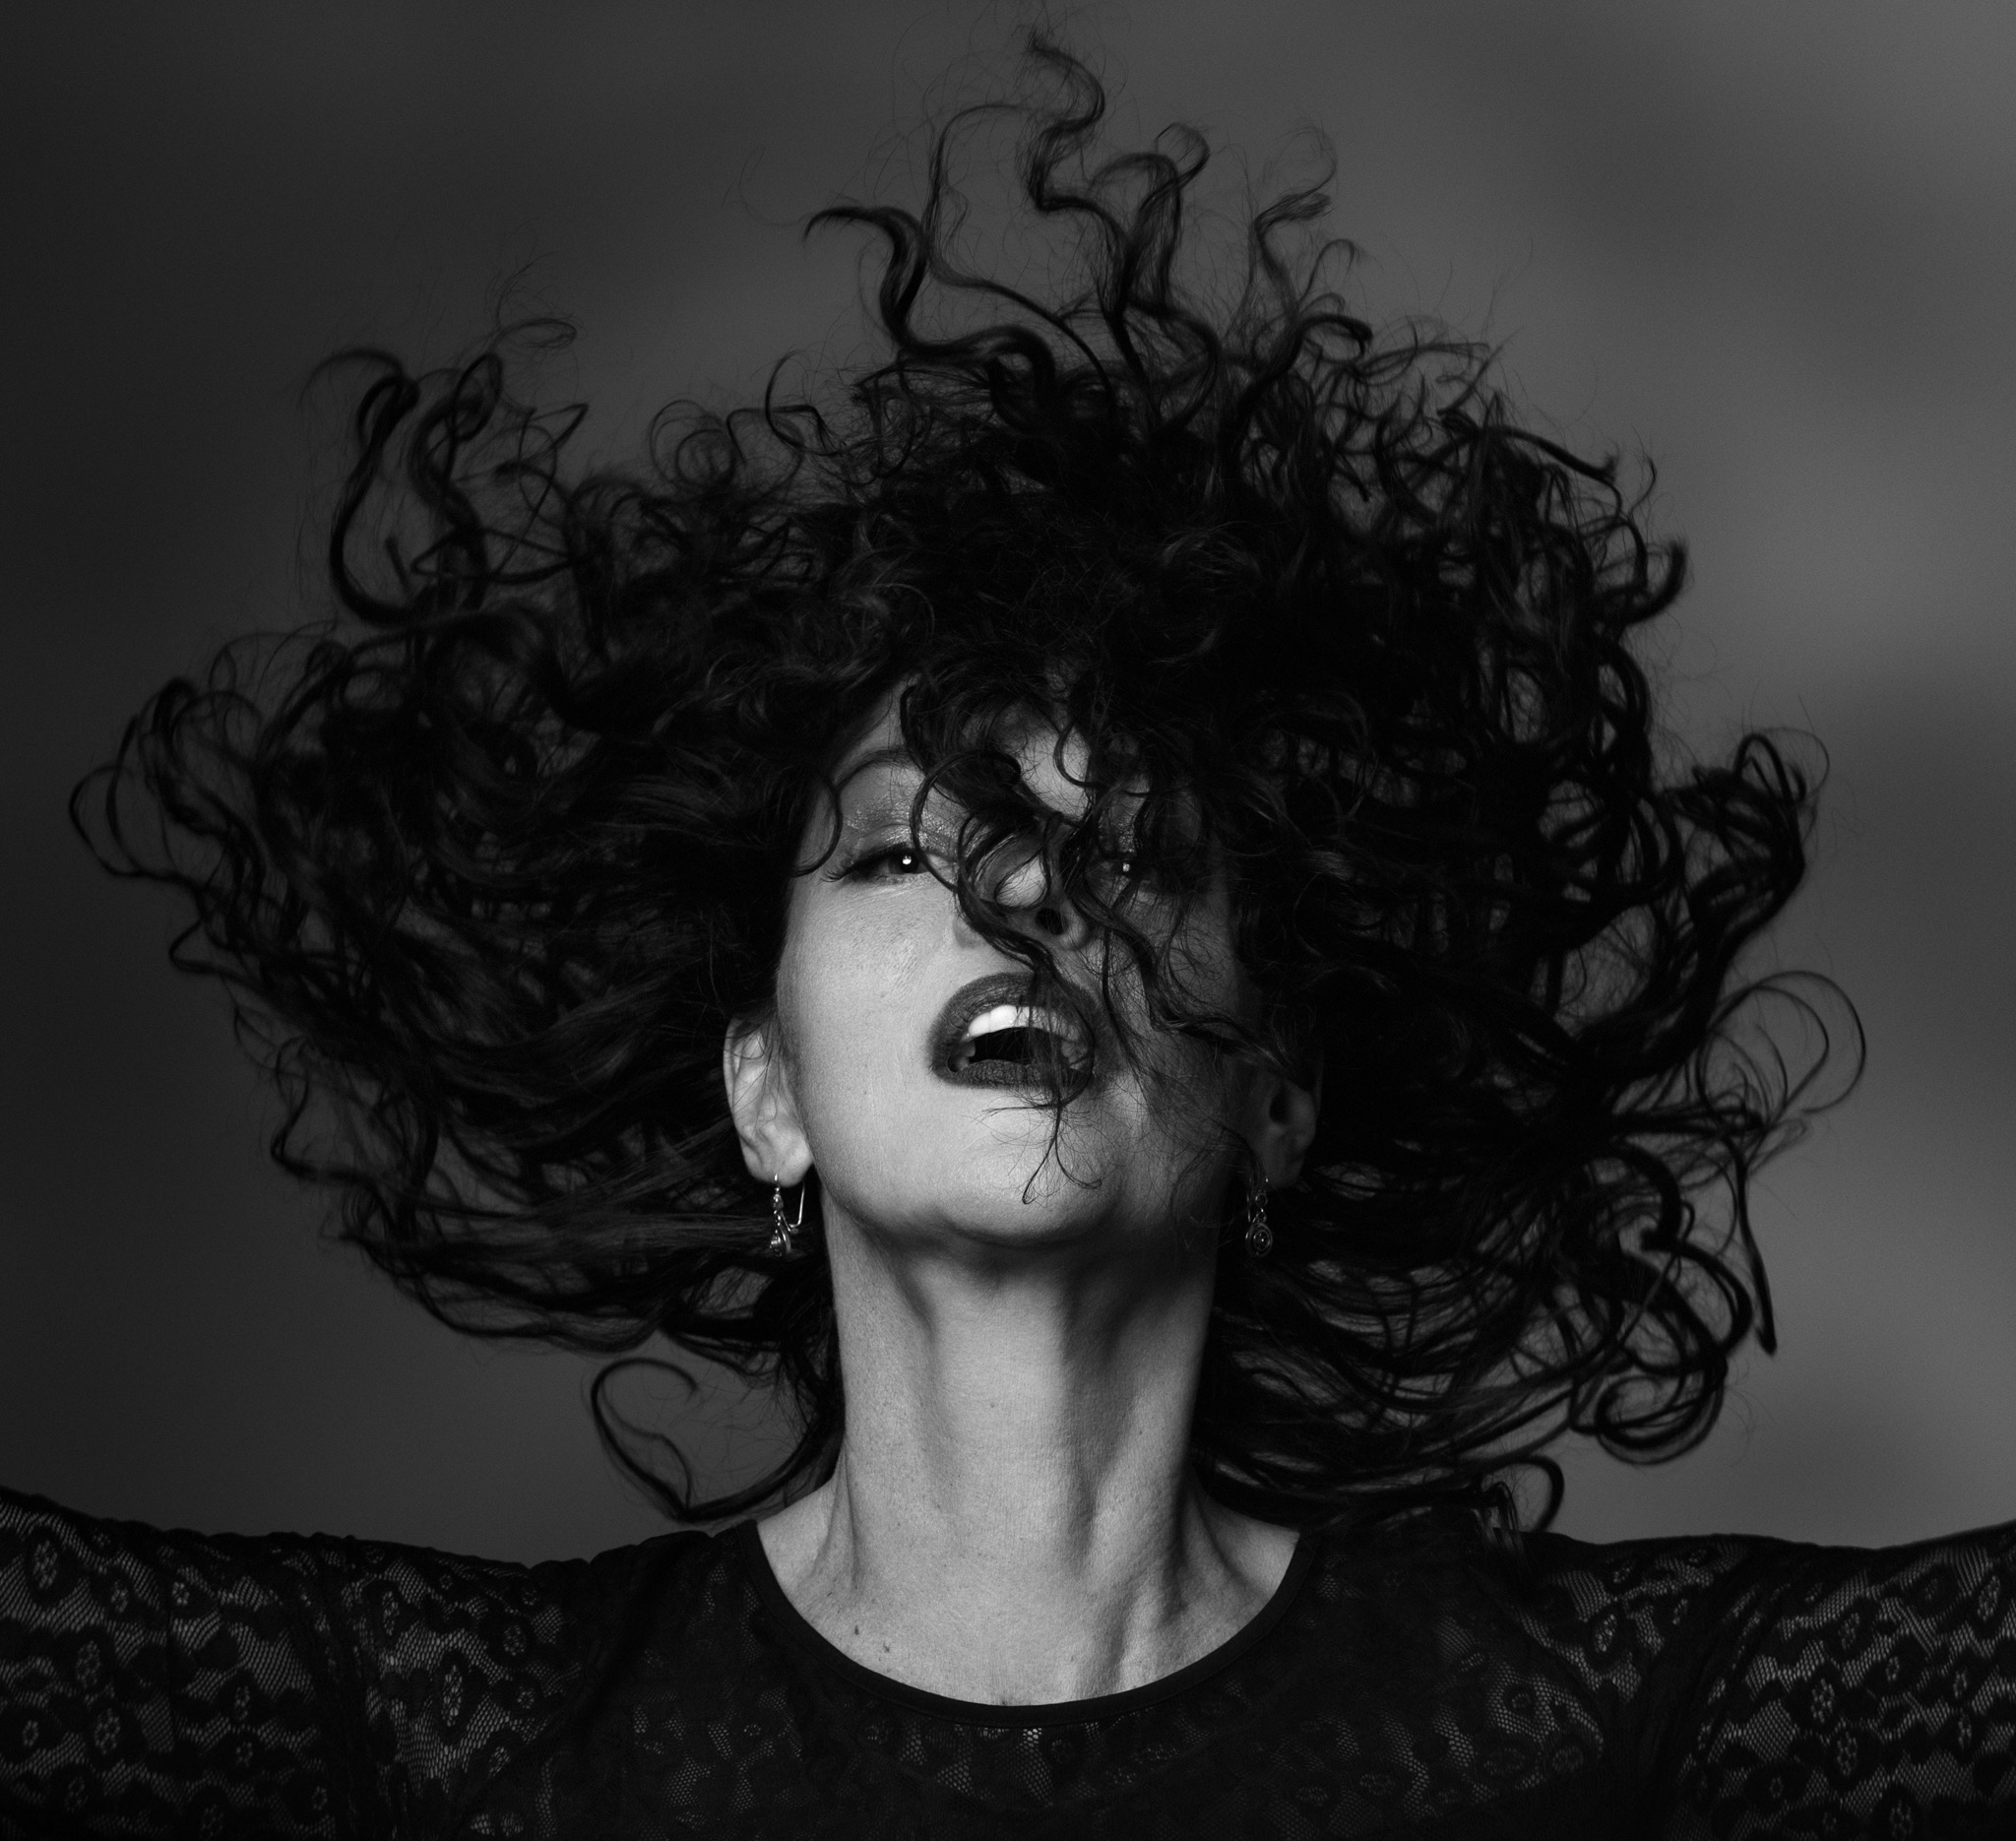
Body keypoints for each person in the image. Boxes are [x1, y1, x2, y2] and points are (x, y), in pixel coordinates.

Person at [3, 44, 2010, 1839]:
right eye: (899, 852)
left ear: (1282, 1091)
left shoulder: (1613, 1724)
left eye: (1121, 854)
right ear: (763, 1089)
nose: (1021, 899)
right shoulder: (476, 1737)